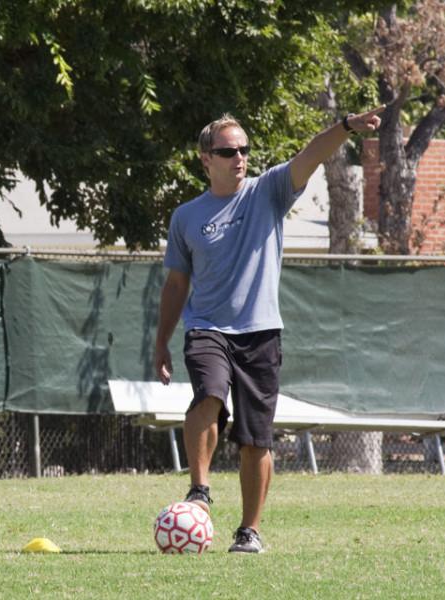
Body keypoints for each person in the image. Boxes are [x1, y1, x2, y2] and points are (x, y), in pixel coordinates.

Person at [153, 107, 383, 553]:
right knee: (209, 393)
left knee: (255, 440)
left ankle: (248, 531)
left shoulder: (268, 192)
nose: (239, 157)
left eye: (243, 150)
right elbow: (176, 283)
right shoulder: (186, 217)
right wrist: (161, 340)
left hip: (260, 334)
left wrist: (346, 126)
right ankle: (199, 490)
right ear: (206, 158)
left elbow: (311, 156)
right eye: (227, 151)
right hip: (207, 328)